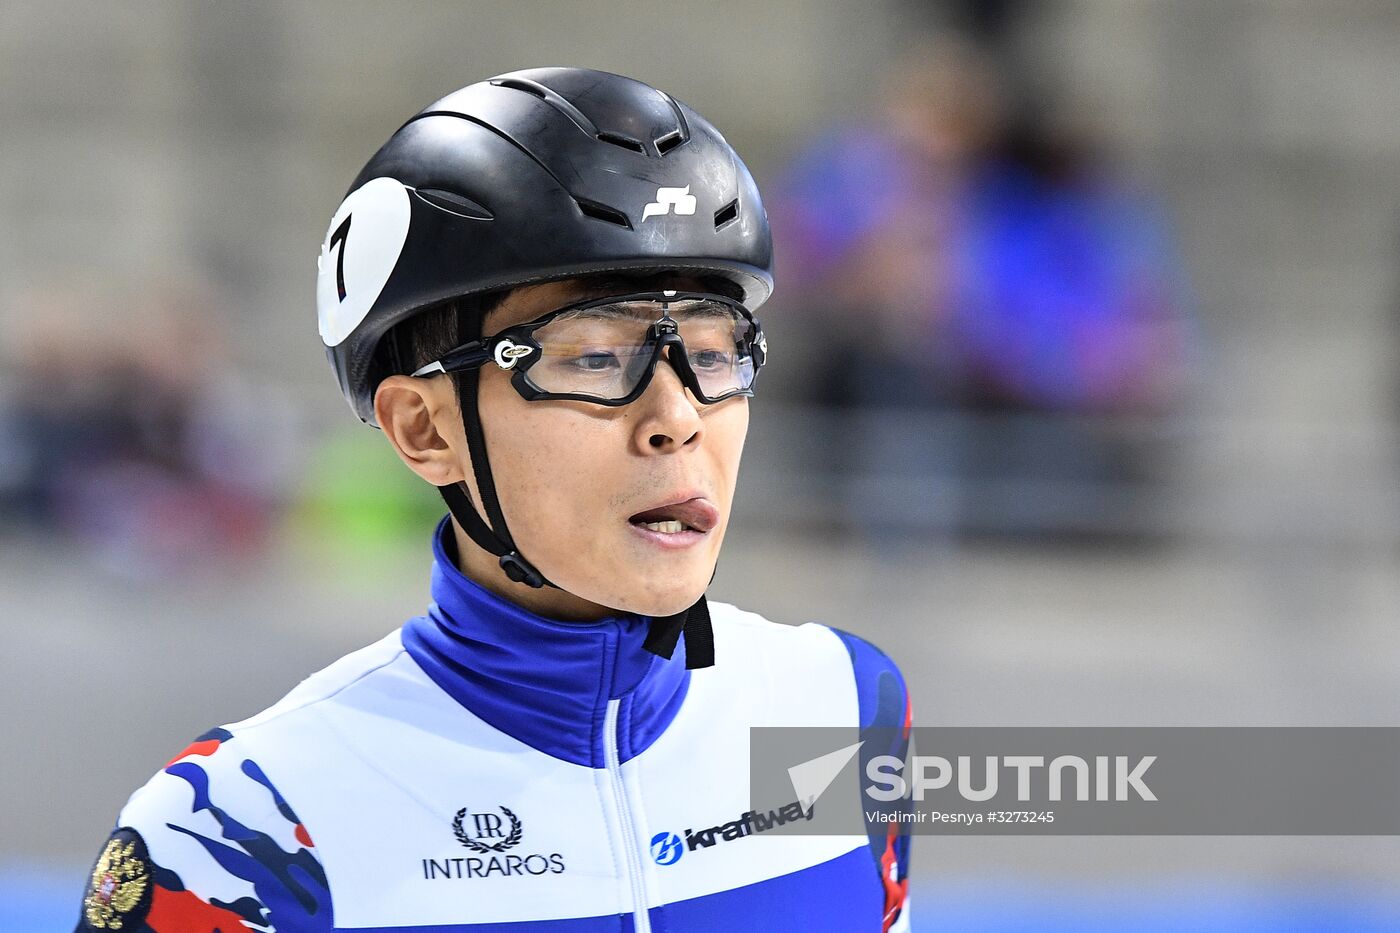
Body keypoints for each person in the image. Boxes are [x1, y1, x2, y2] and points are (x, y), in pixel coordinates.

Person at [75, 67, 912, 932]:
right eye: (592, 357)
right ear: (425, 429)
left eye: (711, 351)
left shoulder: (840, 704)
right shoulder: (239, 830)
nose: (677, 417)